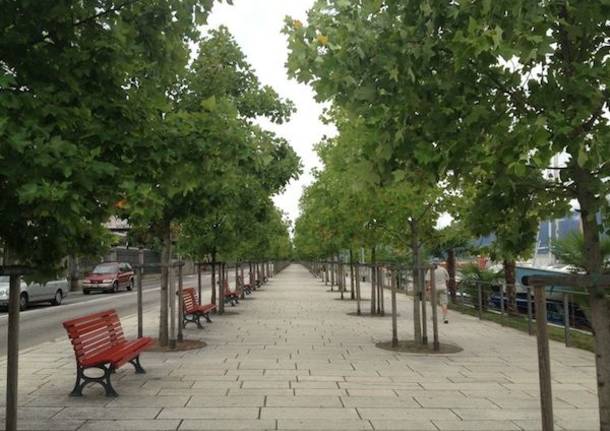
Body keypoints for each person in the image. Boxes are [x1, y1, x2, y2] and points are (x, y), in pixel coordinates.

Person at [425, 258, 450, 323]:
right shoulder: (443, 269)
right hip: (443, 287)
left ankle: (434, 316)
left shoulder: (430, 270)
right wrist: (445, 286)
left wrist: (427, 289)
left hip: (434, 288)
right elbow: (447, 279)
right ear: (439, 263)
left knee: (434, 302)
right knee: (444, 303)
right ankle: (445, 318)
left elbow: (428, 281)